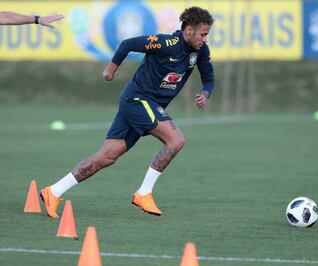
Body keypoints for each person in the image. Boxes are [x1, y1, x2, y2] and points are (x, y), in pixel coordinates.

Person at [40, 6, 215, 217]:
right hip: (138, 99)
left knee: (106, 156)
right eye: (203, 34)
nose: (205, 39)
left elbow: (208, 77)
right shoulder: (165, 43)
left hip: (142, 105)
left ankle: (53, 191)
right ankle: (144, 193)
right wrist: (110, 69)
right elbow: (128, 44)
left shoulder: (200, 51)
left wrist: (205, 93)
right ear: (189, 30)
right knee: (176, 140)